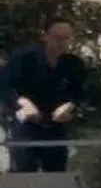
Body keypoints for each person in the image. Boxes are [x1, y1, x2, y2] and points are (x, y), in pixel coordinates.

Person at [5, 20, 90, 173]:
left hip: (55, 126)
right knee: (24, 173)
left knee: (56, 173)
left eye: (66, 38)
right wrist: (23, 103)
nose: (61, 43)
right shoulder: (24, 58)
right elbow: (6, 87)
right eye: (57, 37)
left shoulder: (73, 64)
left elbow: (80, 93)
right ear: (45, 36)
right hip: (25, 125)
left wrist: (70, 106)